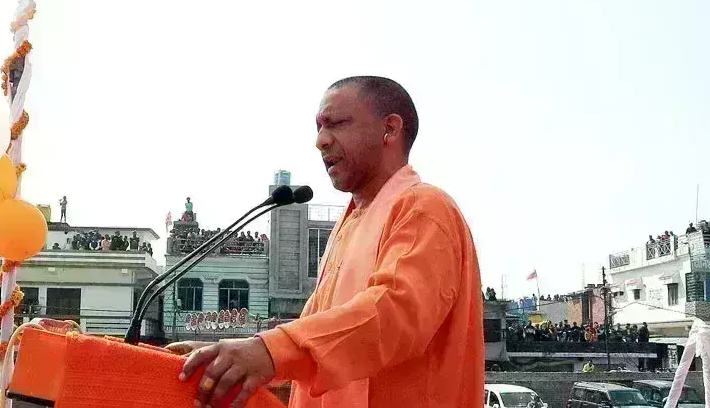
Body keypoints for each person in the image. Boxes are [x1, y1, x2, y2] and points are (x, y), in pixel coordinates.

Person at [170, 76, 484, 407]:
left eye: (336, 124)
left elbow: (393, 316)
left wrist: (267, 351)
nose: (320, 141)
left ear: (390, 129)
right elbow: (318, 340)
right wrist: (228, 359)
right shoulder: (348, 226)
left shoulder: (424, 208)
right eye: (319, 128)